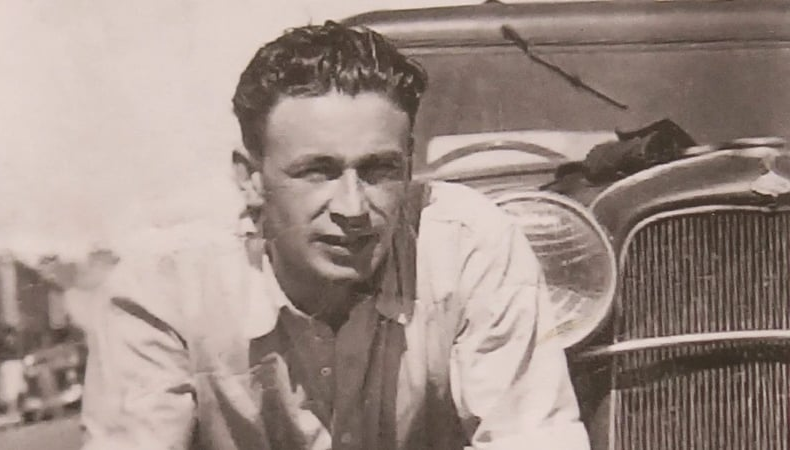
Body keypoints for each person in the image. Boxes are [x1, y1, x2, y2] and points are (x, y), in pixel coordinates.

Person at [81, 21, 590, 450]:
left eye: (379, 170)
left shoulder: (470, 245)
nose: (352, 208)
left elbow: (533, 438)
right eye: (317, 172)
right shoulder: (166, 286)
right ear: (250, 178)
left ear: (409, 165)